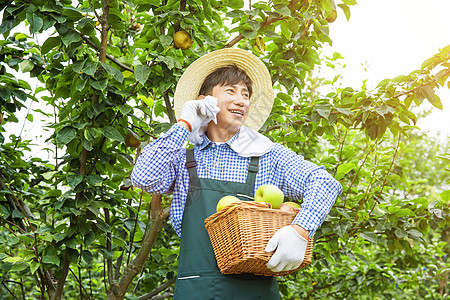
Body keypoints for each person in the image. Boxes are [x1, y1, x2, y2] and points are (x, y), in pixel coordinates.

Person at [131, 48, 342, 299]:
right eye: (230, 91)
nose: (242, 100)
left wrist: (301, 229)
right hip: (195, 291)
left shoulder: (267, 155)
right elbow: (144, 178)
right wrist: (186, 123)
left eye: (246, 94)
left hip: (255, 292)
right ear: (204, 100)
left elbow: (325, 183)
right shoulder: (183, 159)